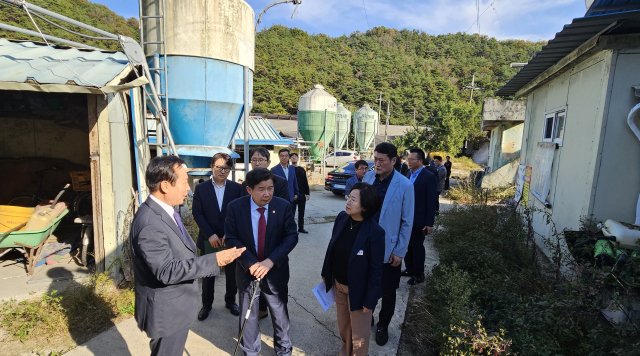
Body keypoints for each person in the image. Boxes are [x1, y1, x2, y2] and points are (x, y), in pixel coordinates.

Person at [129, 156, 245, 356]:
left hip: (175, 308)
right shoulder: (150, 222)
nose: (188, 189)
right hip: (167, 312)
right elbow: (166, 271)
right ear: (165, 185)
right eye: (184, 183)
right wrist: (216, 260)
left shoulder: (165, 212)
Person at [225, 168, 299, 356]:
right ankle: (250, 350)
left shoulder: (282, 206)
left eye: (270, 188)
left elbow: (291, 236)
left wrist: (270, 261)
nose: (267, 194)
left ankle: (284, 349)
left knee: (279, 313)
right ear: (249, 190)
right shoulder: (235, 207)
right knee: (248, 314)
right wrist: (250, 263)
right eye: (261, 189)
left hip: (275, 271)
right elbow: (231, 238)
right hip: (246, 269)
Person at [321, 182, 384, 356]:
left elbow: (376, 270)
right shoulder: (342, 218)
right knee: (344, 328)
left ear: (365, 206)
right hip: (339, 286)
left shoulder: (375, 232)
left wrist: (370, 300)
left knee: (359, 336)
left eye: (353, 199)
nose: (348, 201)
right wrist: (326, 272)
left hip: (360, 292)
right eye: (349, 197)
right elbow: (331, 248)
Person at [362, 142, 414, 346]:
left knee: (387, 290)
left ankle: (383, 325)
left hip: (388, 248)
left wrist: (400, 251)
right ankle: (369, 318)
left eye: (381, 160)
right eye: (375, 159)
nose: (376, 163)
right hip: (365, 244)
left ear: (394, 161)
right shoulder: (368, 178)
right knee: (366, 285)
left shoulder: (405, 185)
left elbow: (407, 221)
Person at [192, 153, 243, 321]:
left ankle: (230, 301)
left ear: (230, 169)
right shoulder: (201, 188)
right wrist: (211, 234)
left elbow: (238, 215)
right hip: (209, 239)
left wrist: (228, 234)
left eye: (226, 168)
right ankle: (206, 305)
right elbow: (198, 213)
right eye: (219, 167)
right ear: (211, 167)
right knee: (208, 273)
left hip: (229, 239)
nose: (223, 171)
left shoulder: (236, 188)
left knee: (231, 273)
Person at [241, 147, 289, 320]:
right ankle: (260, 308)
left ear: (269, 162)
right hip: (252, 247)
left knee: (276, 294)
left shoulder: (280, 183)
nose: (257, 162)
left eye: (261, 159)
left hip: (273, 244)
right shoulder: (245, 184)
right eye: (254, 159)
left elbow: (285, 217)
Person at [402, 149, 437, 285]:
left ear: (421, 161)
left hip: (419, 220)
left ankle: (419, 274)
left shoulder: (429, 177)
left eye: (412, 159)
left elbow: (431, 201)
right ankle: (409, 269)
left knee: (417, 247)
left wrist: (429, 223)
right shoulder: (407, 174)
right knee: (407, 246)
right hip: (406, 218)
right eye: (408, 159)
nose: (409, 162)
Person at [290, 152, 310, 234]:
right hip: (292, 194)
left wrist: (307, 193)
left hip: (301, 194)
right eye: (292, 157)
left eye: (295, 156)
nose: (294, 158)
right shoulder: (289, 169)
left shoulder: (302, 169)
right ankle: (291, 229)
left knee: (301, 212)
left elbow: (305, 182)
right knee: (292, 213)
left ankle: (301, 228)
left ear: (298, 158)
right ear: (290, 159)